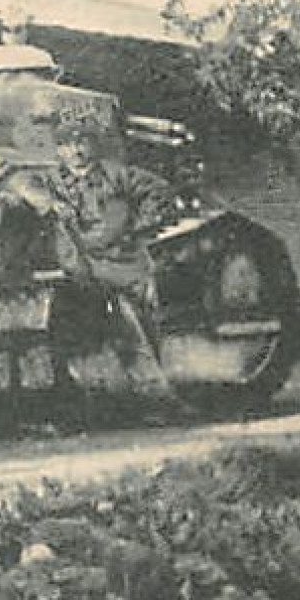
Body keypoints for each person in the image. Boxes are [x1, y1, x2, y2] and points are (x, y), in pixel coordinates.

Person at [45, 118, 185, 414]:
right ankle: (126, 396)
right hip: (84, 264)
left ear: (94, 145)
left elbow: (158, 190)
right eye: (68, 144)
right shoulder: (51, 183)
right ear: (58, 150)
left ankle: (153, 397)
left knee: (146, 324)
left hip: (127, 262)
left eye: (83, 142)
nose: (77, 150)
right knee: (112, 327)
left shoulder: (115, 175)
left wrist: (138, 226)